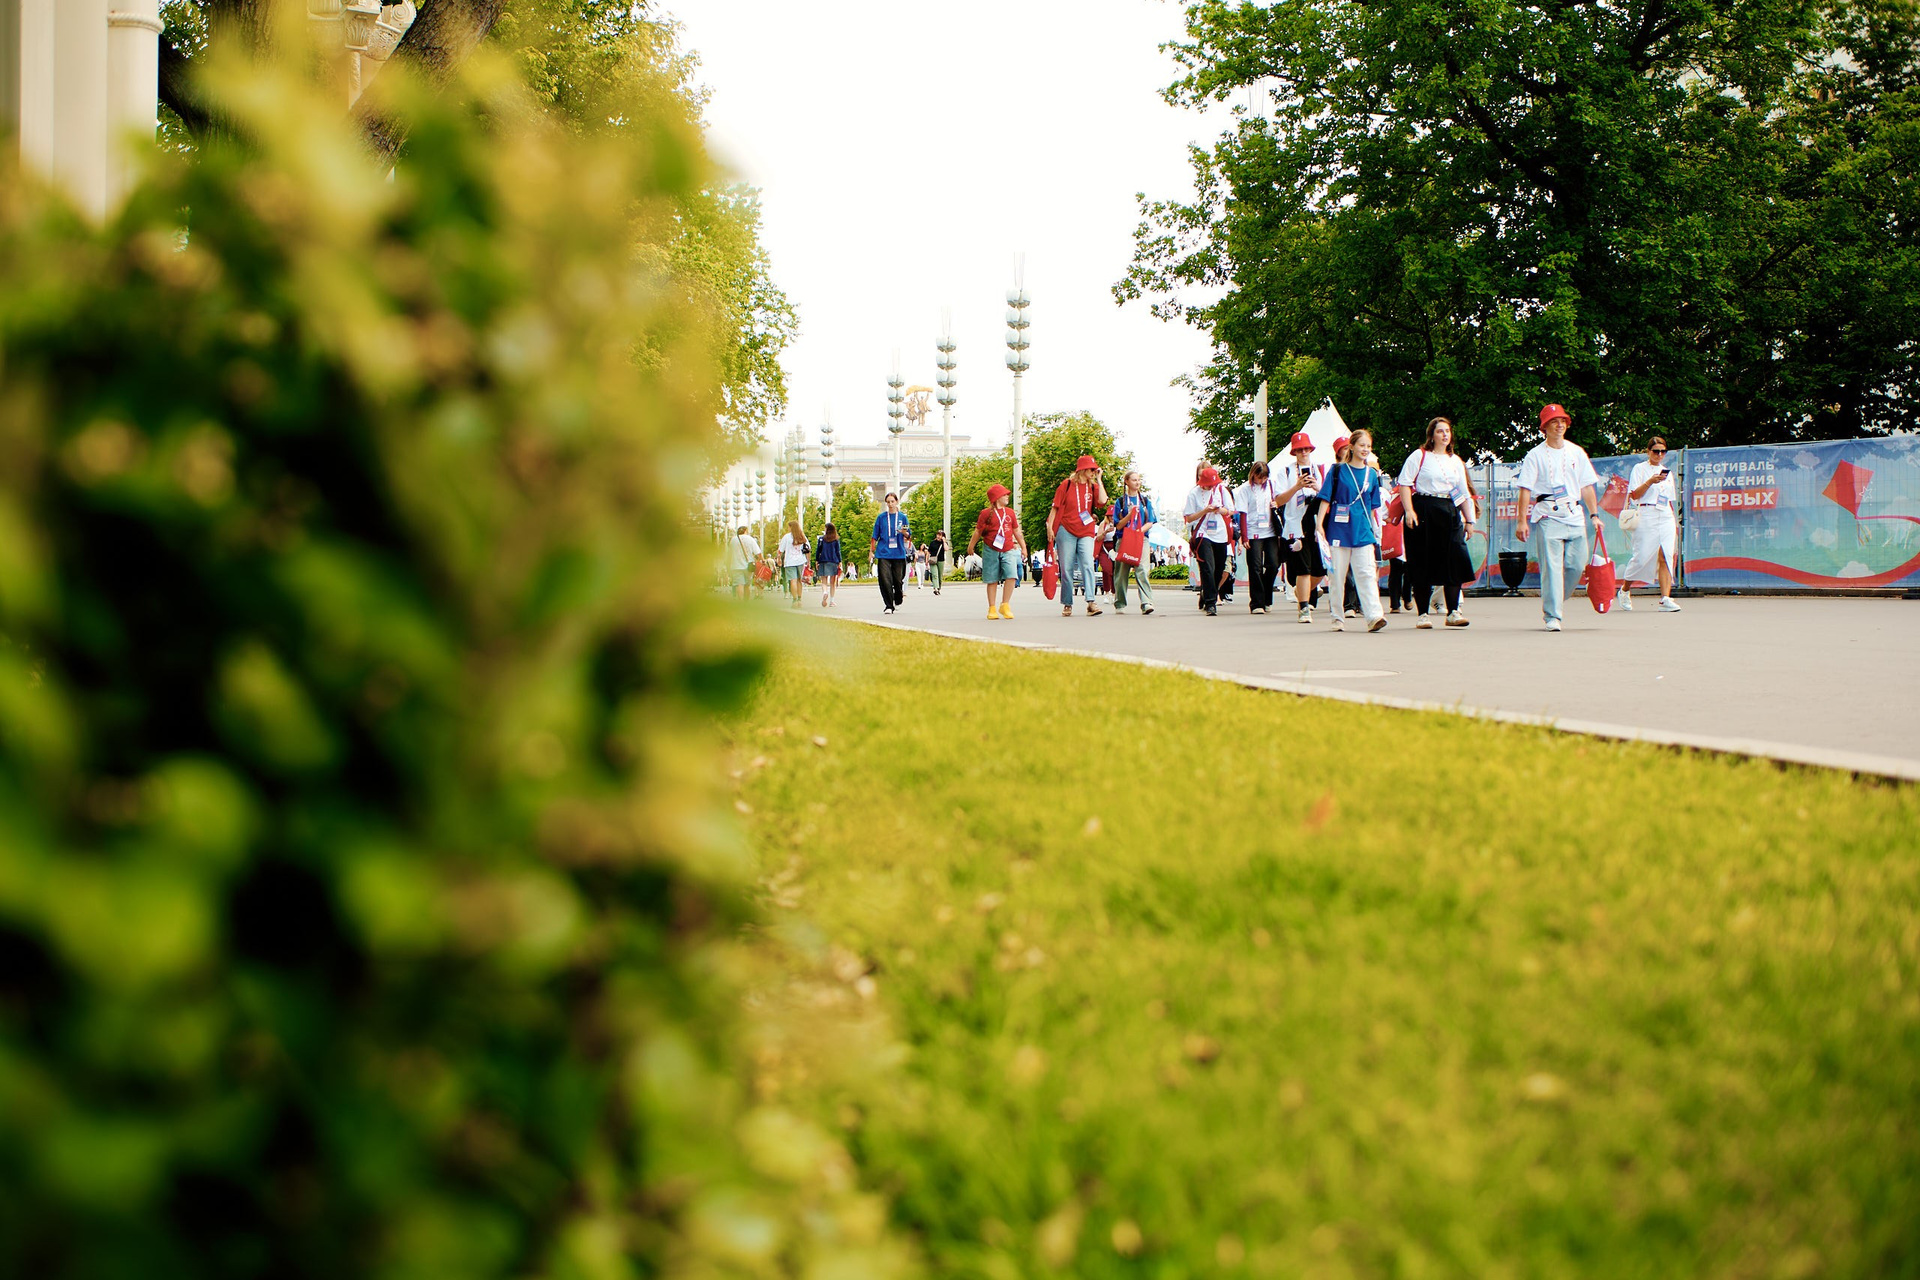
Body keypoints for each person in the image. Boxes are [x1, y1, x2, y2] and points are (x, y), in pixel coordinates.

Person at [1515, 404, 1603, 633]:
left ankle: (1554, 598)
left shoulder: (1576, 452)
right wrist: (1522, 521)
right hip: (1548, 514)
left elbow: (1587, 486)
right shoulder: (1535, 455)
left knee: (1577, 565)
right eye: (1554, 421)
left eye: (1562, 421)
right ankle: (1552, 615)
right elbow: (1525, 489)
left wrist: (1594, 515)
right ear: (1544, 427)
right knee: (1552, 569)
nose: (1559, 425)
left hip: (1574, 514)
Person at [1396, 416, 1477, 629]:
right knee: (1422, 560)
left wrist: (1469, 520)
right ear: (1431, 435)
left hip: (1449, 510)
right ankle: (1423, 613)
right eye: (1440, 431)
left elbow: (1463, 491)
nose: (1444, 435)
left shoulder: (1455, 461)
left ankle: (1453, 612)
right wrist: (1409, 510)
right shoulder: (1420, 455)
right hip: (1424, 509)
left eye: (1447, 431)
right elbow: (1404, 483)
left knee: (1455, 558)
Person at [1314, 430, 1389, 632]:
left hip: (1362, 530)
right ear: (1352, 446)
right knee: (1337, 576)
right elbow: (1325, 498)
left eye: (1368, 446)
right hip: (1338, 530)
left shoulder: (1372, 474)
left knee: (1366, 574)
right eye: (1362, 445)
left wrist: (1376, 531)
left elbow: (1373, 507)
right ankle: (1337, 617)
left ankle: (1374, 616)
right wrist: (1319, 525)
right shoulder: (1337, 470)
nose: (1365, 449)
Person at [1621, 436, 1682, 612]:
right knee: (1641, 557)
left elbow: (1669, 499)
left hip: (1665, 514)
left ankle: (1665, 598)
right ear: (1648, 452)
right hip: (1646, 513)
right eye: (1656, 451)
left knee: (1666, 555)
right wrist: (1649, 482)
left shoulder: (1667, 473)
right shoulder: (1640, 469)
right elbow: (1634, 495)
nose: (1659, 455)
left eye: (1663, 451)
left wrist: (1673, 521)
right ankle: (1625, 589)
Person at [1272, 433, 1324, 624]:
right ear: (1294, 452)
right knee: (1303, 570)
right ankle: (1304, 607)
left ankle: (1301, 592)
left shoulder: (1318, 470)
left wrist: (1317, 487)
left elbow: (1327, 497)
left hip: (1315, 524)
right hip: (1295, 525)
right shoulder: (1285, 472)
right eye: (1300, 449)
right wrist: (1296, 486)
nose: (1303, 452)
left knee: (1320, 570)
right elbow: (1278, 500)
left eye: (1306, 449)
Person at [1048, 455, 1108, 616]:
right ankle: (1067, 603)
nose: (1094, 472)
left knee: (1088, 564)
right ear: (1082, 469)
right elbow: (1055, 507)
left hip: (1086, 530)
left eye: (1095, 470)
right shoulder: (1066, 485)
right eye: (1091, 469)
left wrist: (1099, 480)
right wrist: (1050, 527)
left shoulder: (1092, 487)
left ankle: (1091, 602)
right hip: (1066, 528)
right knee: (1067, 567)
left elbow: (1103, 501)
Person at [967, 483, 1027, 619]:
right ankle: (992, 608)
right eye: (1004, 495)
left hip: (1008, 548)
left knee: (1011, 575)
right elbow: (978, 531)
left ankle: (1005, 604)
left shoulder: (1010, 513)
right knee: (992, 579)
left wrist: (1023, 547)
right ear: (996, 498)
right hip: (991, 548)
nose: (1007, 496)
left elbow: (1016, 531)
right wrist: (971, 546)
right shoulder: (985, 513)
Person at [1183, 465, 1236, 616]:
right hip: (1202, 533)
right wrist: (1205, 510)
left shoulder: (1221, 490)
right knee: (1207, 567)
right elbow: (1189, 518)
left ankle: (1206, 592)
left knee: (1219, 569)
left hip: (1220, 533)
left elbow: (1231, 510)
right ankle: (1211, 603)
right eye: (1208, 485)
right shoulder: (1194, 493)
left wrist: (1219, 510)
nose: (1210, 487)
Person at [1109, 470, 1158, 615]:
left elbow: (1150, 521)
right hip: (1124, 538)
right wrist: (1129, 515)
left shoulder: (1144, 501)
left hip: (1141, 538)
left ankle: (1146, 602)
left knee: (1142, 569)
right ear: (1127, 482)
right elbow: (1118, 525)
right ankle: (1120, 602)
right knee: (1121, 572)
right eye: (1134, 480)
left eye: (1139, 480)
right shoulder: (1120, 502)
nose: (1137, 482)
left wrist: (1139, 531)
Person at [1235, 461, 1282, 614]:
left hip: (1270, 531)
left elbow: (1280, 501)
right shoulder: (1245, 490)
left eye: (1264, 477)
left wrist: (1276, 504)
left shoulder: (1272, 486)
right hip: (1253, 532)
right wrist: (1244, 536)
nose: (1262, 480)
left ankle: (1267, 596)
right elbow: (1243, 514)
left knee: (1273, 564)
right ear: (1253, 475)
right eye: (1259, 477)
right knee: (1255, 567)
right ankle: (1256, 603)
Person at [871, 492, 911, 614]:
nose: (890, 504)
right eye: (888, 502)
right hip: (883, 552)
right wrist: (871, 551)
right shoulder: (881, 518)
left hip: (898, 552)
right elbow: (874, 536)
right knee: (885, 580)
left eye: (892, 501)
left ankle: (898, 597)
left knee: (898, 580)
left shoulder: (902, 517)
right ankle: (888, 605)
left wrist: (903, 532)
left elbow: (908, 535)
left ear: (896, 502)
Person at [776, 518, 810, 609]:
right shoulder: (802, 536)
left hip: (789, 561)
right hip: (800, 561)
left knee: (792, 581)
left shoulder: (786, 537)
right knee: (799, 580)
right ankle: (799, 599)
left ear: (791, 527)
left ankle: (794, 600)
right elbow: (808, 549)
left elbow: (780, 550)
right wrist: (808, 561)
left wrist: (779, 559)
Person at [726, 525, 761, 601]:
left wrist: (728, 564)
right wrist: (762, 560)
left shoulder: (733, 540)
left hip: (736, 566)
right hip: (748, 566)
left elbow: (729, 554)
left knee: (739, 584)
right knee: (747, 585)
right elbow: (758, 552)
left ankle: (741, 602)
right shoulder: (750, 539)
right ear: (746, 531)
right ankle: (746, 602)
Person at [814, 522, 843, 606]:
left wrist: (817, 560)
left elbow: (818, 550)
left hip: (823, 560)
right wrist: (840, 561)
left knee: (824, 580)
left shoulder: (821, 539)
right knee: (832, 582)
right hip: (833, 561)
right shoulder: (836, 540)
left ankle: (825, 592)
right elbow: (838, 551)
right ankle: (832, 601)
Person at [929, 529, 950, 595]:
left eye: (940, 535)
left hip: (941, 560)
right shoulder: (932, 543)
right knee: (935, 575)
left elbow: (946, 549)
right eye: (938, 535)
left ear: (943, 536)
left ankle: (938, 588)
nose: (938, 536)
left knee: (940, 576)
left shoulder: (944, 543)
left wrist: (944, 541)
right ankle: (935, 588)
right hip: (933, 560)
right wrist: (927, 560)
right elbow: (929, 552)